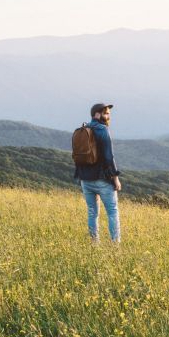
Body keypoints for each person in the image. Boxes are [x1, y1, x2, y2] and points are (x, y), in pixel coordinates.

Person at [75, 103, 122, 243]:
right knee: (112, 212)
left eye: (108, 113)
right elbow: (109, 157)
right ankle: (115, 246)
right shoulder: (103, 130)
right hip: (102, 180)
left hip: (85, 179)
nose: (108, 116)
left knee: (92, 213)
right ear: (97, 114)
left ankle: (94, 244)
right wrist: (116, 178)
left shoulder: (84, 129)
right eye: (105, 113)